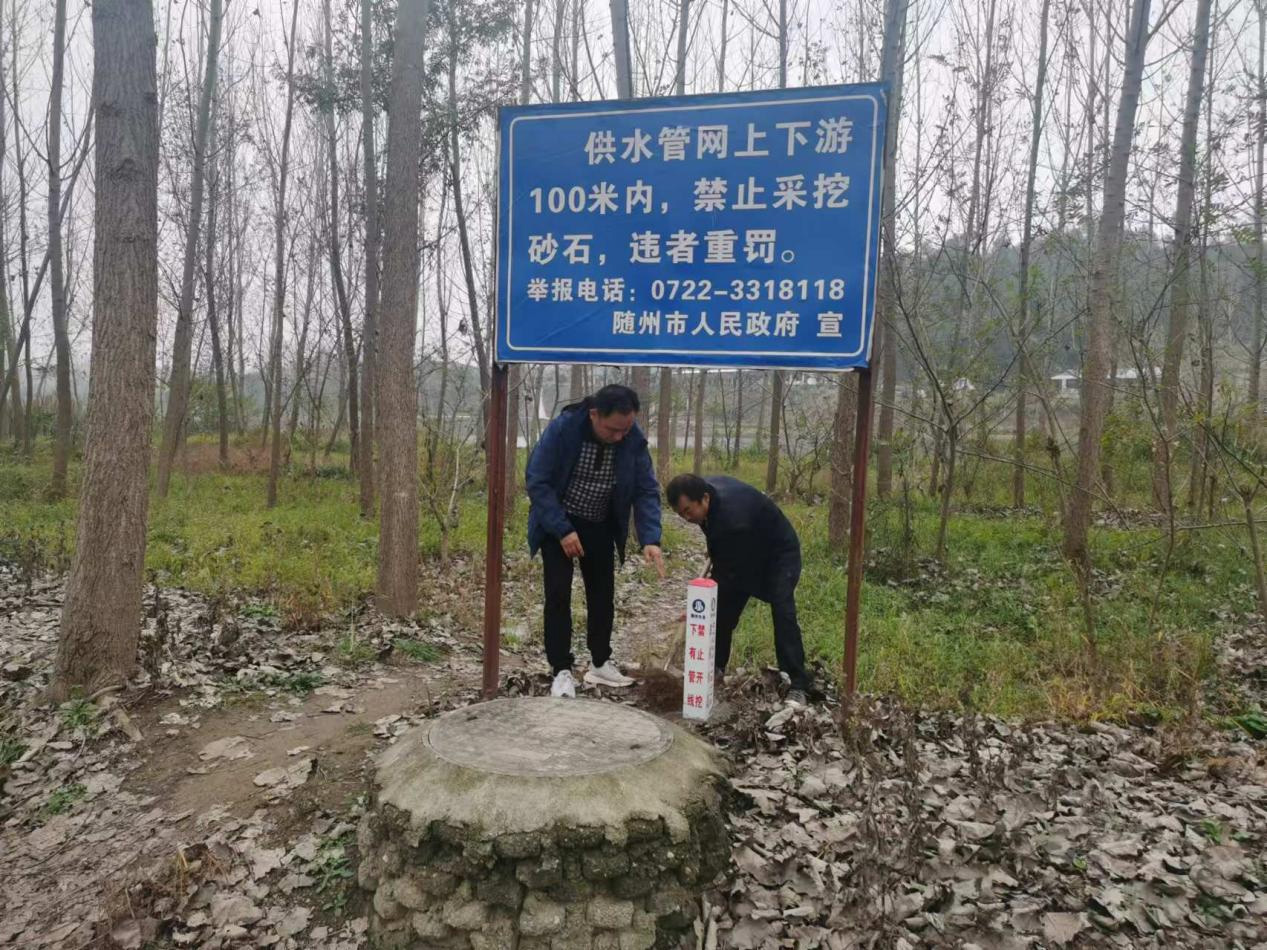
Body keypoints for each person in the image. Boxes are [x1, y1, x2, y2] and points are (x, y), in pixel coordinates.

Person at [526, 383, 665, 698]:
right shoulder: (564, 430)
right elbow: (537, 480)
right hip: (558, 522)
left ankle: (600, 662)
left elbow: (645, 489)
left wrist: (650, 538)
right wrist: (562, 529)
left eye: (625, 429)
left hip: (600, 523)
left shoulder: (632, 439)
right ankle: (561, 670)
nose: (619, 436)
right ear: (594, 415)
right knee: (558, 593)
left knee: (602, 595)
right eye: (613, 429)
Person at [665, 473, 814, 706]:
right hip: (743, 549)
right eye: (680, 514)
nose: (686, 518)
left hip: (778, 555)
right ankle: (715, 669)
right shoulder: (706, 494)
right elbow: (723, 552)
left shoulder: (732, 520)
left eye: (687, 511)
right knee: (723, 612)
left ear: (705, 498)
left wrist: (699, 604)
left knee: (782, 610)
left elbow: (726, 572)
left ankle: (798, 684)